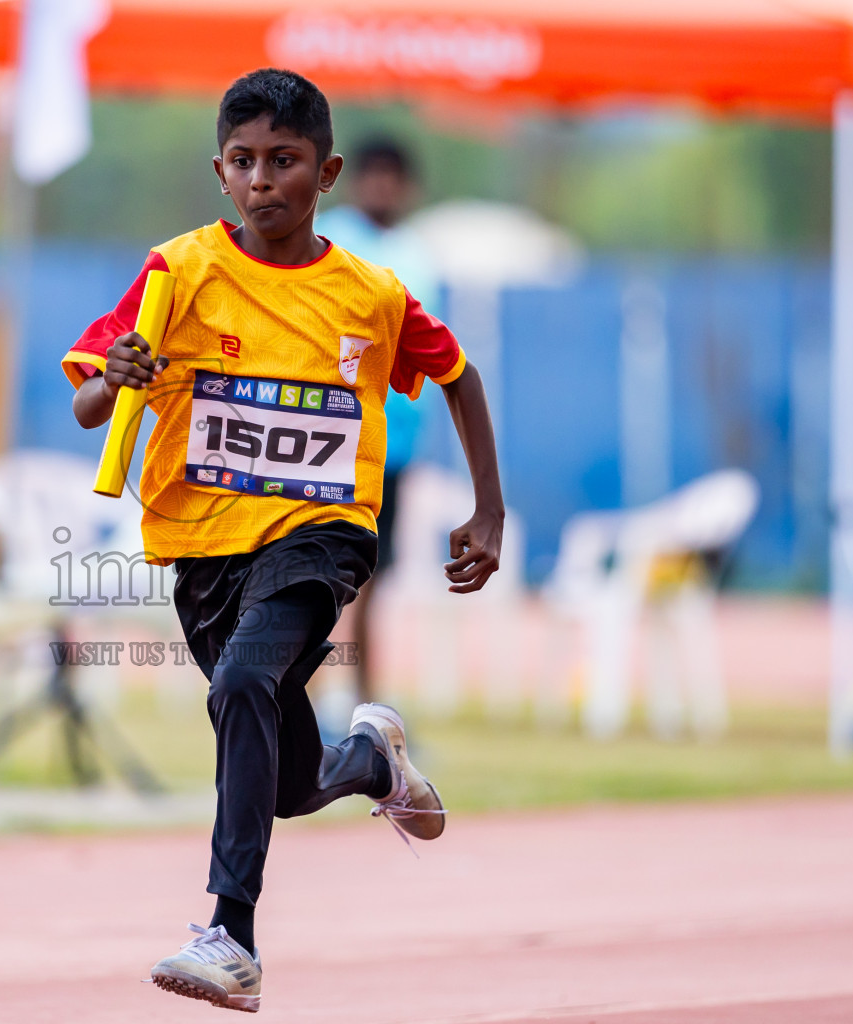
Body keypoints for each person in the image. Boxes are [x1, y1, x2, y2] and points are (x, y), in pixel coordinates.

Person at [62, 69, 504, 1013]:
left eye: (285, 161)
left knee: (242, 686)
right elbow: (90, 398)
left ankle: (233, 934)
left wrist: (487, 510)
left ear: (327, 171)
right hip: (205, 552)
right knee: (289, 779)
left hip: (322, 535)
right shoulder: (177, 273)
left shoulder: (372, 295)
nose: (264, 180)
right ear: (219, 172)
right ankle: (372, 762)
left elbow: (459, 374)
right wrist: (117, 376)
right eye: (244, 162)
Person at [316, 138, 443, 706]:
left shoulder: (418, 256)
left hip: (393, 448)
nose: (383, 187)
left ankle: (367, 709)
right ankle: (306, 706)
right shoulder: (331, 241)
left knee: (371, 580)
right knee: (314, 577)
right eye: (375, 175)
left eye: (394, 177)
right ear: (354, 180)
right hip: (330, 439)